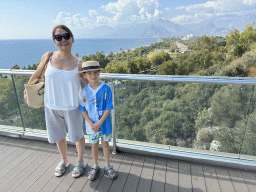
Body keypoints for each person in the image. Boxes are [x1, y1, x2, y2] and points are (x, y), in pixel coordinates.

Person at [24, 25, 87, 178]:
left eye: (66, 36)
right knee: (58, 136)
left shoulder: (79, 63)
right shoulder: (48, 57)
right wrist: (27, 90)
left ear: (72, 38)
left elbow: (89, 83)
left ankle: (80, 161)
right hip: (51, 105)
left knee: (77, 136)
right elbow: (37, 74)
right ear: (54, 41)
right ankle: (64, 161)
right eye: (58, 37)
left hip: (72, 106)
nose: (63, 40)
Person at [78, 61, 118, 181]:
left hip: (104, 125)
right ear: (84, 75)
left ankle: (107, 165)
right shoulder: (83, 92)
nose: (92, 75)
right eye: (89, 73)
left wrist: (99, 123)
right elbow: (82, 109)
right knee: (94, 145)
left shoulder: (106, 88)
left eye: (95, 72)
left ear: (99, 73)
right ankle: (95, 166)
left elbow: (108, 107)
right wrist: (91, 124)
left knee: (105, 144)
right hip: (91, 126)